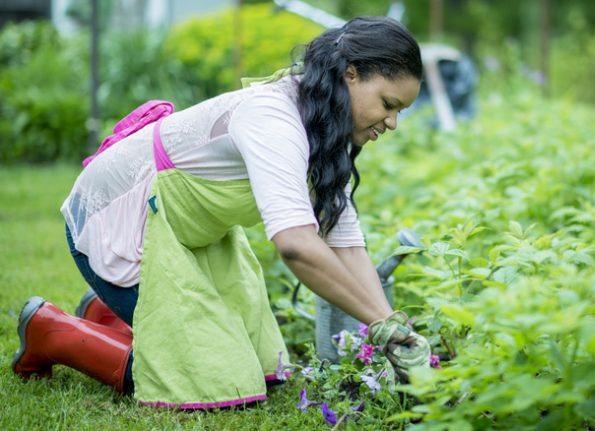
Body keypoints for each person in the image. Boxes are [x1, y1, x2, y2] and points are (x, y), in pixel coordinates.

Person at [11, 16, 431, 409]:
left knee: (258, 370)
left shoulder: (324, 126)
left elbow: (345, 242)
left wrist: (394, 326)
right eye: (388, 104)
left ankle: (105, 313)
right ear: (351, 74)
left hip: (184, 237)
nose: (392, 123)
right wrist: (381, 324)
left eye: (400, 112)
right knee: (204, 375)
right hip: (116, 227)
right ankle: (52, 331)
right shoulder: (274, 119)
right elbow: (297, 245)